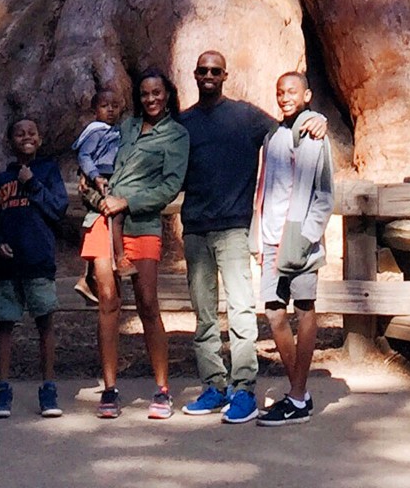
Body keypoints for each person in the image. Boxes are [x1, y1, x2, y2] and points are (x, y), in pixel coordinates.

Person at [179, 51, 326, 424]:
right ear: (195, 75)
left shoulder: (246, 117)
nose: (209, 75)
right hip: (195, 227)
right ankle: (214, 386)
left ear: (225, 75)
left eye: (215, 70)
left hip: (234, 228)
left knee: (243, 311)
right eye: (203, 70)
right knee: (205, 315)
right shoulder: (184, 123)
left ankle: (243, 390)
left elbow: (287, 125)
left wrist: (318, 119)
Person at [82, 68, 189, 420]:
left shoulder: (175, 136)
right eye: (145, 94)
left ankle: (162, 389)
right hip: (103, 219)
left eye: (157, 93)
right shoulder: (123, 127)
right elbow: (94, 164)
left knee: (147, 303)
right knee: (108, 303)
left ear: (168, 94)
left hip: (141, 222)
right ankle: (110, 389)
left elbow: (169, 186)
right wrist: (102, 202)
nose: (151, 99)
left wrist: (127, 202)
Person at [252, 72, 335, 426]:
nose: (285, 97)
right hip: (271, 238)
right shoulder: (273, 134)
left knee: (303, 308)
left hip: (298, 236)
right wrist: (258, 237)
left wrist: (308, 234)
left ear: (307, 94)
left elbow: (324, 193)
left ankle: (297, 397)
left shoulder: (312, 133)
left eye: (292, 91)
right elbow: (265, 187)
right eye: (280, 91)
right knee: (273, 313)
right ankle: (299, 392)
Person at [0, 117, 70, 419]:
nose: (26, 137)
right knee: (5, 325)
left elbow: (58, 208)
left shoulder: (48, 172)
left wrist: (32, 183)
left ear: (40, 139)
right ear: (12, 140)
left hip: (39, 262)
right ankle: (3, 390)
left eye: (32, 132)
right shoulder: (1, 181)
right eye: (20, 133)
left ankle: (48, 389)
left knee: (45, 324)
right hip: (7, 266)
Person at [71, 89, 123, 303]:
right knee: (105, 215)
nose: (110, 110)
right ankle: (114, 262)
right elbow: (84, 155)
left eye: (114, 105)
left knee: (105, 219)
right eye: (104, 106)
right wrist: (93, 175)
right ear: (94, 111)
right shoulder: (95, 131)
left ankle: (89, 276)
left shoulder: (117, 131)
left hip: (111, 178)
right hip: (99, 179)